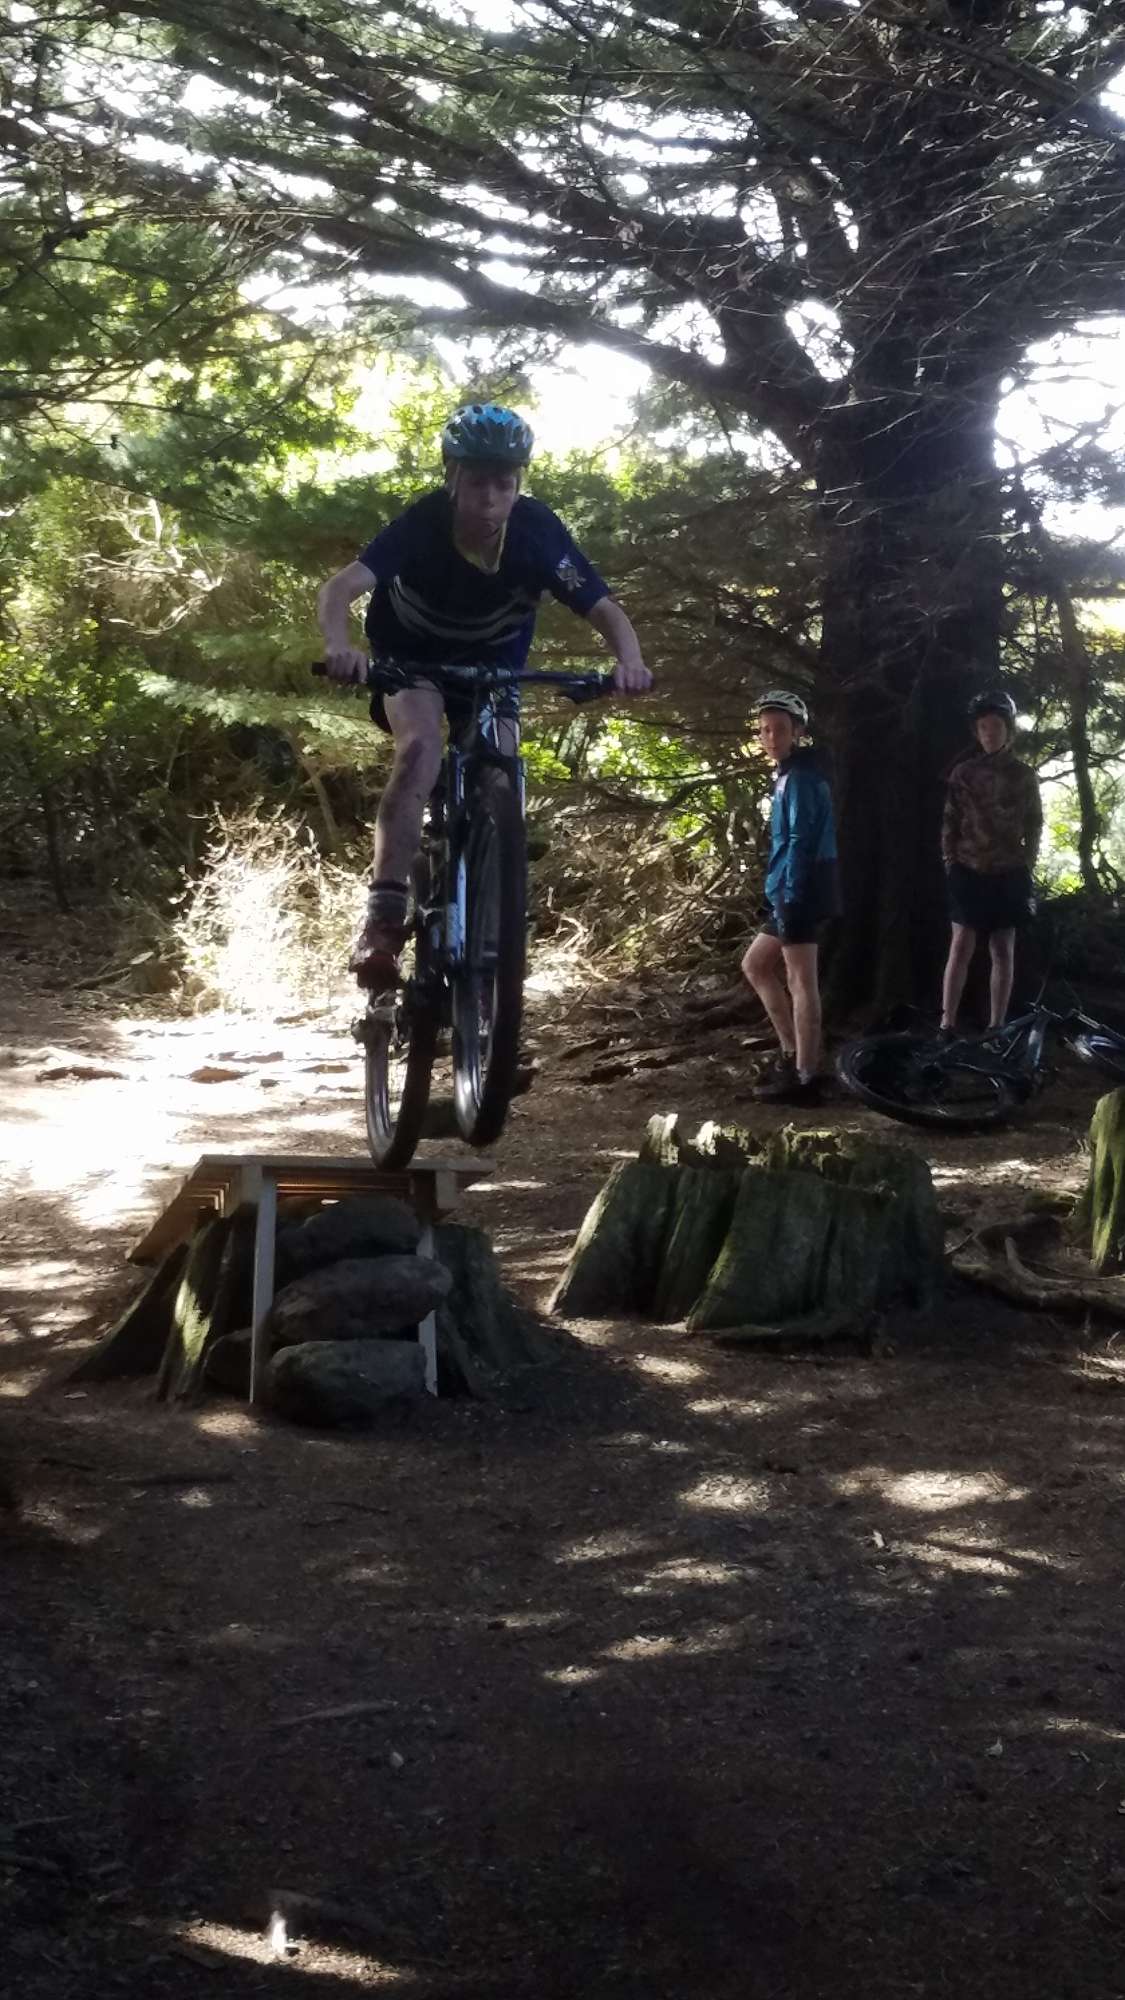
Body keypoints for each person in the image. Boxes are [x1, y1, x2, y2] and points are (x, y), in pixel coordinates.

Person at [316, 401, 652, 986]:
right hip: (412, 657)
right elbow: (340, 588)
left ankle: (491, 927)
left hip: (494, 666)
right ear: (453, 478)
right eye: (477, 481)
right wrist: (340, 646)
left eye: (504, 482)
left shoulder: (538, 531)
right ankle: (384, 918)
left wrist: (631, 661)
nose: (491, 496)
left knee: (501, 770)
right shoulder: (423, 523)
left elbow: (602, 607)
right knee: (420, 748)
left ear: (519, 483)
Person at [741, 691, 839, 1106]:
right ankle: (791, 1053)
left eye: (779, 729)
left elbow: (800, 840)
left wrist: (791, 893)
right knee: (755, 964)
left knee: (801, 980)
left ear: (797, 731)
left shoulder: (800, 777)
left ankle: (806, 1075)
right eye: (764, 730)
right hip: (787, 888)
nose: (770, 737)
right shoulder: (788, 774)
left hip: (801, 888)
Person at [940, 689, 1042, 1037]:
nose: (989, 733)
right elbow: (950, 820)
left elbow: (1035, 822)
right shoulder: (963, 773)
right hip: (968, 868)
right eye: (983, 727)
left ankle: (996, 1024)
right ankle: (947, 1023)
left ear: (1008, 730)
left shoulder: (1024, 775)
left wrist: (1028, 862)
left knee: (1002, 949)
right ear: (976, 732)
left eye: (996, 726)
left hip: (1009, 871)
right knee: (960, 945)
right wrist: (950, 860)